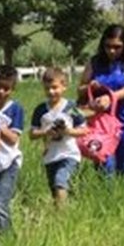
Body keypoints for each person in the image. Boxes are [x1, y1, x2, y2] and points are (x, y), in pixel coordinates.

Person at [79, 24, 124, 175]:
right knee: (103, 164)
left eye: (117, 46)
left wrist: (112, 97)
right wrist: (91, 86)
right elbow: (81, 88)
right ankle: (104, 195)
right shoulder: (94, 62)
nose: (112, 51)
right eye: (108, 46)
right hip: (101, 124)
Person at [30, 67, 87, 206]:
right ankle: (68, 209)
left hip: (69, 154)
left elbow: (84, 130)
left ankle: (59, 216)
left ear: (64, 87)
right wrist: (46, 132)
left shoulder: (71, 107)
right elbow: (32, 134)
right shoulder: (41, 110)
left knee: (60, 181)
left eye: (55, 87)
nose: (51, 92)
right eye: (47, 88)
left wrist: (67, 131)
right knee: (55, 188)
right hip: (50, 156)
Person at [0, 66, 25, 235]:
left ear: (13, 89)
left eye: (6, 88)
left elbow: (13, 139)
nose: (1, 92)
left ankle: (7, 238)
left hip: (9, 162)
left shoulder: (15, 109)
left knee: (0, 204)